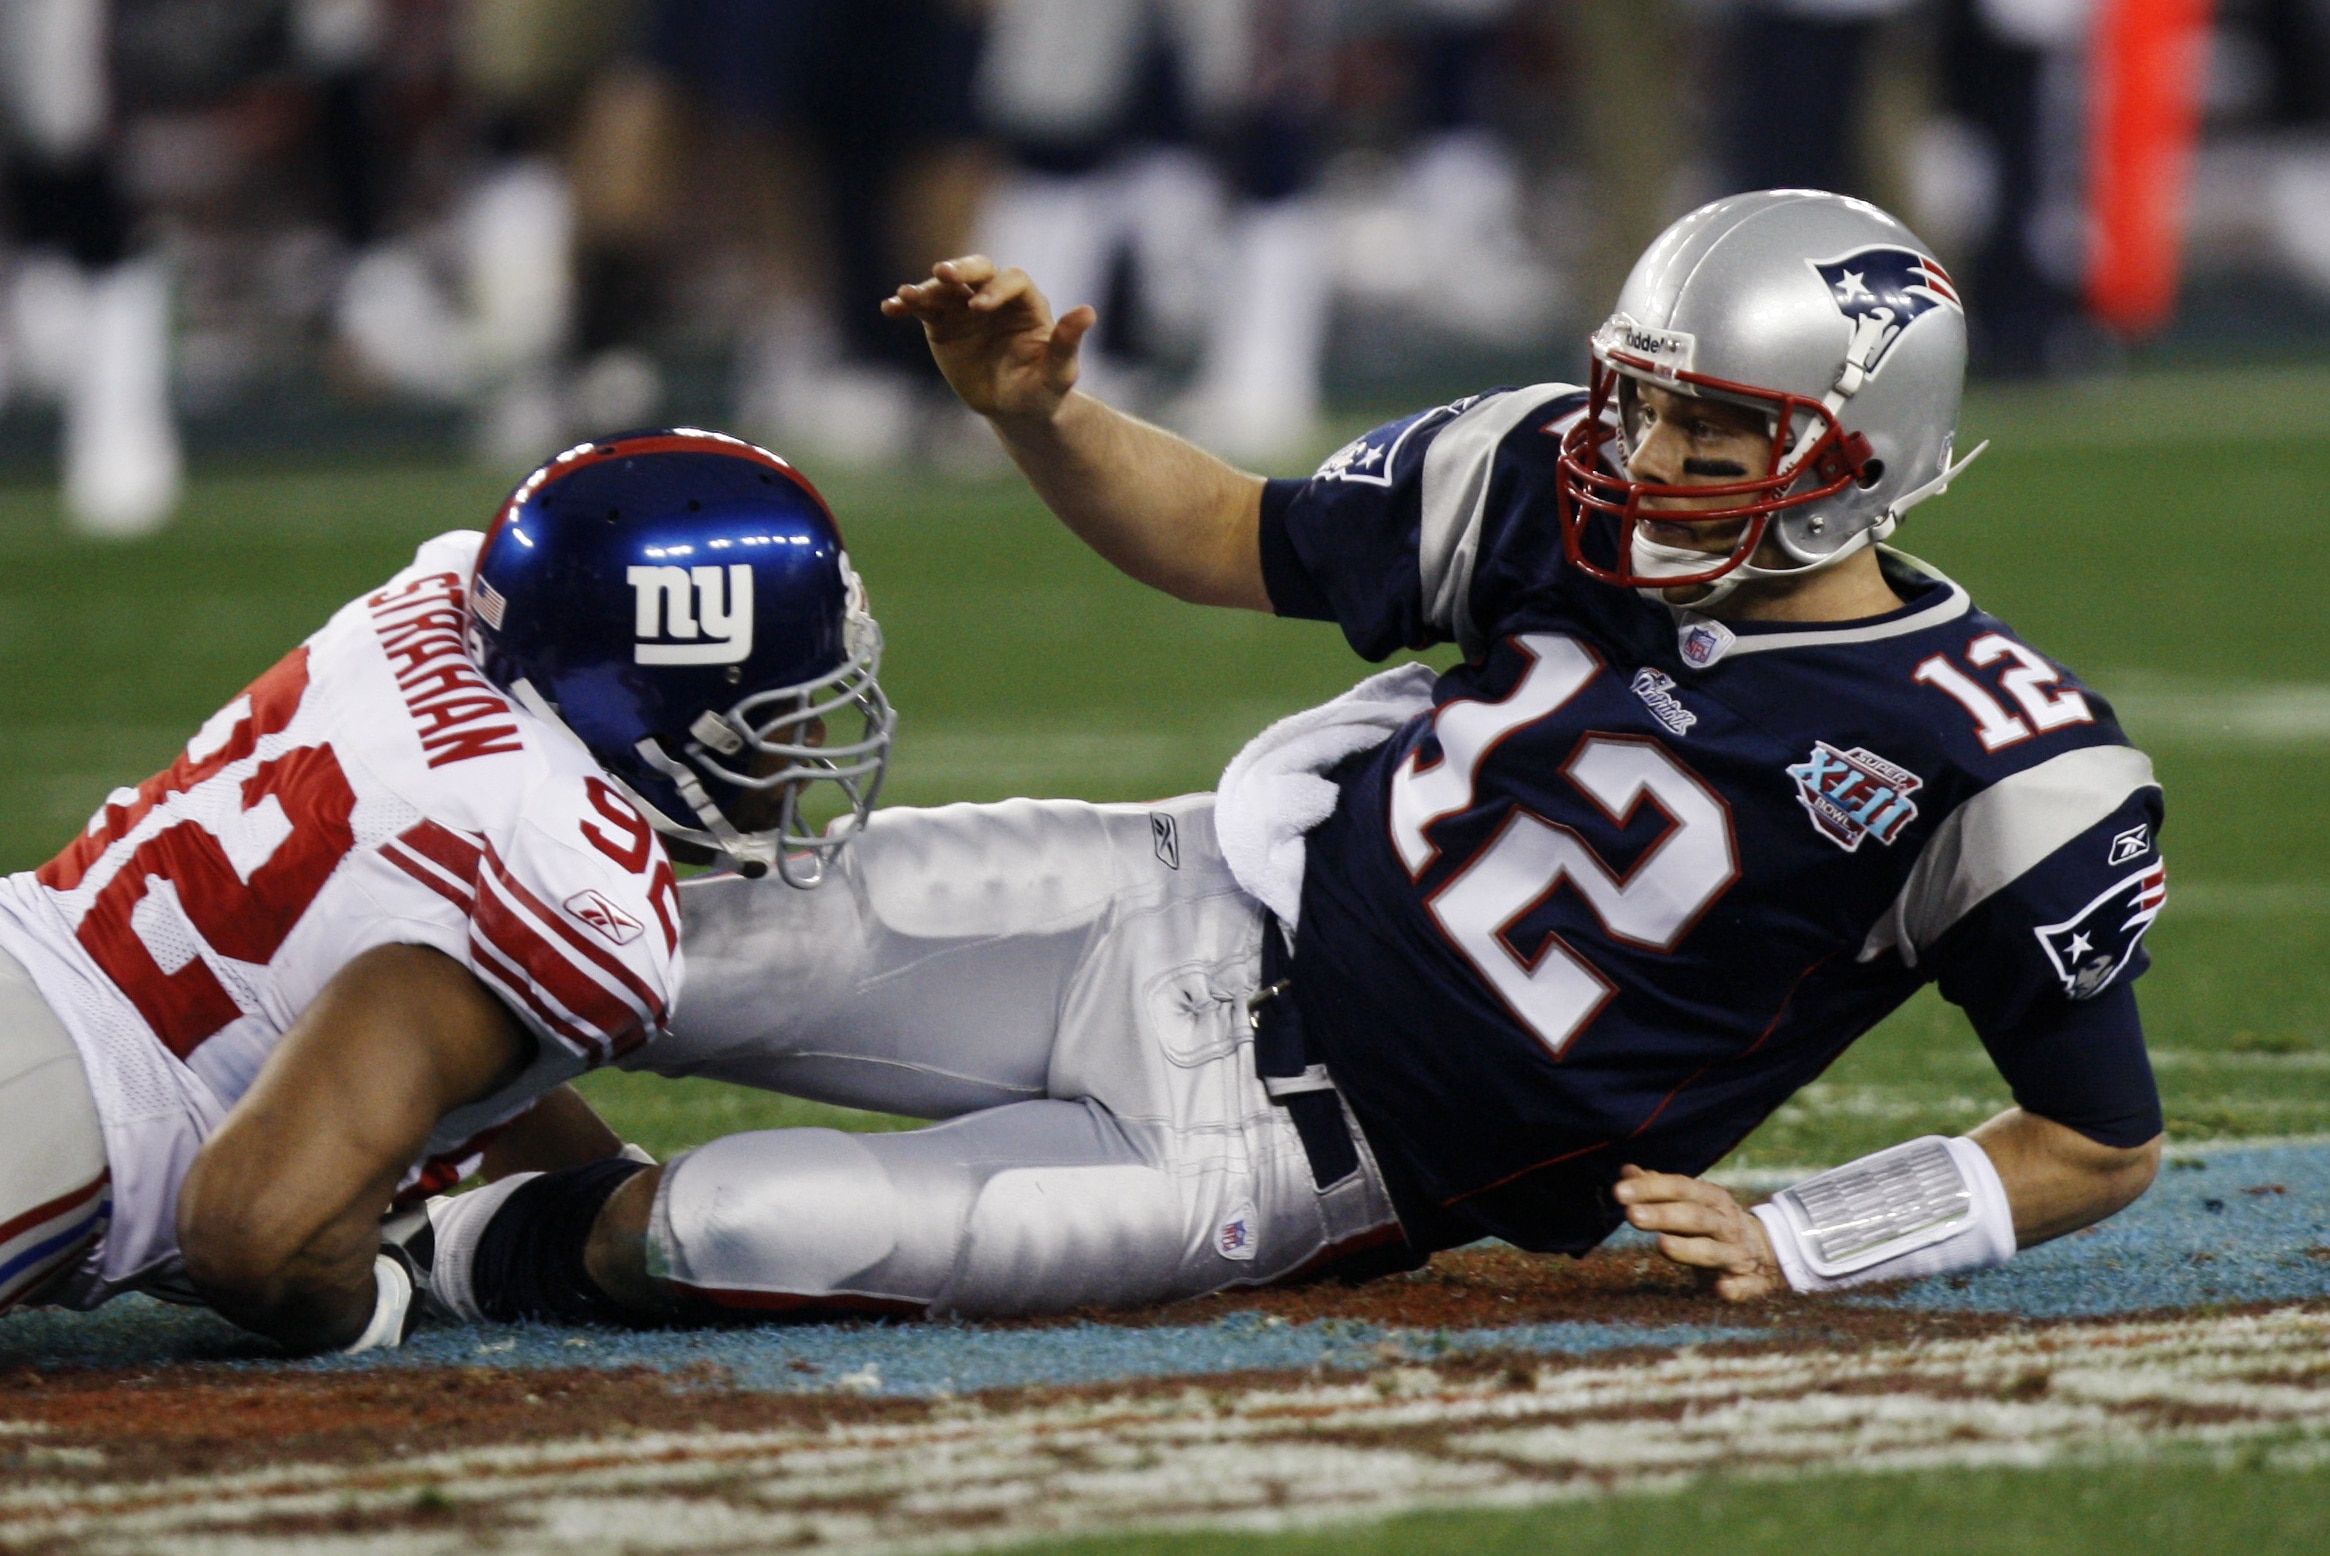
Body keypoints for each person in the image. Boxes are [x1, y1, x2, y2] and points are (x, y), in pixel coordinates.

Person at [429, 190, 2165, 1328]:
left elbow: (2096, 1140)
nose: (1643, 456)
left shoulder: (2000, 757)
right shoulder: (1544, 472)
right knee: (637, 943)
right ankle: (296, 1091)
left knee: (731, 1228)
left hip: (1293, 1161)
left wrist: (1812, 1234)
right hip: (1167, 895)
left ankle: (398, 1259)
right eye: (1639, 399)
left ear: (1866, 457)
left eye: (1712, 430)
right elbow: (1233, 534)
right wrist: (1045, 416)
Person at [0, 428, 893, 1351]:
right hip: (64, 1112)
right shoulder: (563, 867)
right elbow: (256, 1238)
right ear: (670, 711)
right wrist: (377, 1298)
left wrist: (604, 1195)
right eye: (788, 705)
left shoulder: (451, 609)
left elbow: (421, 1031)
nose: (815, 739)